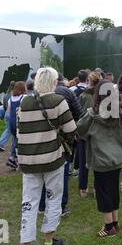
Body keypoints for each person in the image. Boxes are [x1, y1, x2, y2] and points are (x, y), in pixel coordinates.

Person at [18, 67, 77, 245]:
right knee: (53, 198)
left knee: (29, 202)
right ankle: (49, 242)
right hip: (52, 158)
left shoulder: (24, 101)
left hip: (27, 160)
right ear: (54, 82)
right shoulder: (58, 101)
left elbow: (19, 129)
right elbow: (71, 129)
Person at [76, 80, 122, 237]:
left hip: (101, 160)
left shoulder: (92, 115)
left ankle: (109, 227)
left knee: (103, 193)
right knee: (113, 191)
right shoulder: (121, 114)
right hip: (117, 159)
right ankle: (114, 223)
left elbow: (79, 130)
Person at [38, 73, 83, 216]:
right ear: (59, 80)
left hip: (41, 138)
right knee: (62, 172)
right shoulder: (66, 92)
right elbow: (79, 113)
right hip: (62, 138)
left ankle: (42, 205)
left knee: (43, 171)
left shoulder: (36, 95)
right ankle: (61, 206)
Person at [77, 71, 102, 197]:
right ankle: (96, 188)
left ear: (89, 81)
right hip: (98, 132)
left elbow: (80, 114)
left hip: (85, 132)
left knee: (83, 161)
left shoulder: (83, 96)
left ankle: (83, 188)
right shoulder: (103, 95)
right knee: (97, 162)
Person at [6, 81, 26, 170]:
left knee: (15, 139)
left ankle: (12, 158)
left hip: (11, 122)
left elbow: (9, 111)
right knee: (20, 142)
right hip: (19, 122)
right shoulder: (23, 97)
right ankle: (18, 160)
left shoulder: (10, 98)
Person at [0, 81, 15, 152]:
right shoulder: (14, 95)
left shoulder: (6, 95)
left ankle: (1, 143)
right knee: (10, 130)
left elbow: (4, 106)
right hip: (12, 113)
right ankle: (1, 143)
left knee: (9, 129)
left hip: (7, 113)